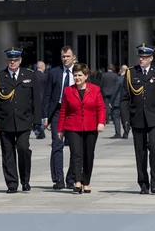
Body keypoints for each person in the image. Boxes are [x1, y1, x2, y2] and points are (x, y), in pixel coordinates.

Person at [120, 43, 155, 195]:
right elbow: (124, 99)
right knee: (140, 151)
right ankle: (143, 184)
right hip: (137, 117)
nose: (141, 60)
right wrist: (125, 120)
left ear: (151, 58)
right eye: (140, 57)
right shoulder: (131, 73)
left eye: (144, 57)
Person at [0, 47, 42, 193]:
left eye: (16, 60)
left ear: (20, 60)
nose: (13, 62)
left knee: (23, 149)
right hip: (5, 121)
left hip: (24, 120)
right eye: (10, 60)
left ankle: (25, 180)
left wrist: (37, 121)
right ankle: (12, 183)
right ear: (7, 60)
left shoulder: (29, 75)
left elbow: (36, 100)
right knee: (8, 153)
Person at [57, 63, 105, 194]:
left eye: (80, 75)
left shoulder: (95, 89)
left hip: (90, 126)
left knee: (88, 155)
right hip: (73, 126)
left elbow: (101, 108)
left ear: (86, 76)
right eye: (75, 75)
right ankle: (77, 181)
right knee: (76, 154)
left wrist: (101, 122)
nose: (77, 78)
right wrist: (60, 129)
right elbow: (63, 111)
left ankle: (86, 182)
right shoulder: (68, 90)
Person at [42, 45, 75, 189]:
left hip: (74, 112)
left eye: (68, 56)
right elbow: (47, 95)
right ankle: (58, 178)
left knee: (75, 147)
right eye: (63, 56)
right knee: (57, 144)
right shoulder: (54, 72)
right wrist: (45, 116)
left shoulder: (79, 72)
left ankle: (71, 178)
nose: (65, 59)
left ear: (73, 57)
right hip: (58, 112)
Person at [109, 65, 129, 139]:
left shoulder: (119, 79)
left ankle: (118, 133)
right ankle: (126, 132)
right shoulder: (130, 79)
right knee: (125, 117)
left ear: (121, 70)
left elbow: (115, 91)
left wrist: (111, 101)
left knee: (116, 117)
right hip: (127, 102)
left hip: (118, 101)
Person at [34, 61, 47, 139]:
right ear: (42, 67)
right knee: (43, 114)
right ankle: (41, 129)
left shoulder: (32, 75)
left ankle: (37, 131)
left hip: (34, 97)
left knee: (36, 114)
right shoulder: (45, 76)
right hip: (43, 97)